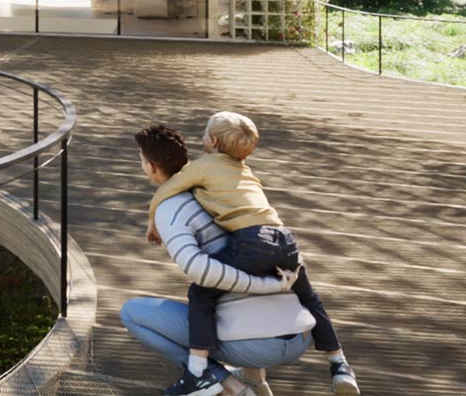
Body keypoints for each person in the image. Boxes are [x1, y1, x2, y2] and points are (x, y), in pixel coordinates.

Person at [146, 113, 357, 395]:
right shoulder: (245, 170)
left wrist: (152, 223)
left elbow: (167, 189)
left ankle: (197, 371)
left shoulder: (205, 165)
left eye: (205, 134)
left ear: (214, 141)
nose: (201, 138)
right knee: (309, 297)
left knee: (201, 294)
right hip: (285, 239)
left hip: (251, 241)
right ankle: (339, 364)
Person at [124, 124, 314, 396]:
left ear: (151, 167)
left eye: (142, 161)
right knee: (222, 292)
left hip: (258, 344)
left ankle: (222, 382)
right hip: (299, 334)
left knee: (133, 313)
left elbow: (200, 271)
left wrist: (266, 286)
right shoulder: (221, 189)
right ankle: (253, 381)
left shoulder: (171, 208)